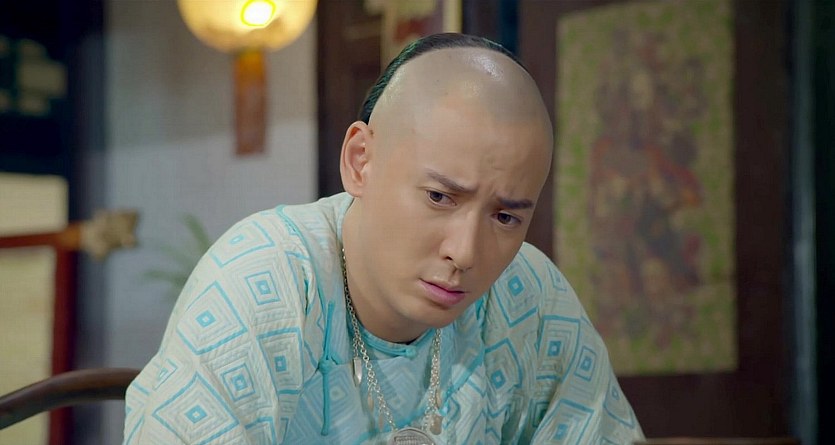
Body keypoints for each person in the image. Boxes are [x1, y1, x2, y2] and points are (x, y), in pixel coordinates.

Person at [123, 33, 644, 445]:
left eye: (505, 217)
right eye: (439, 197)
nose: (464, 253)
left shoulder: (531, 296)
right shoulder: (266, 281)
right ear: (361, 161)